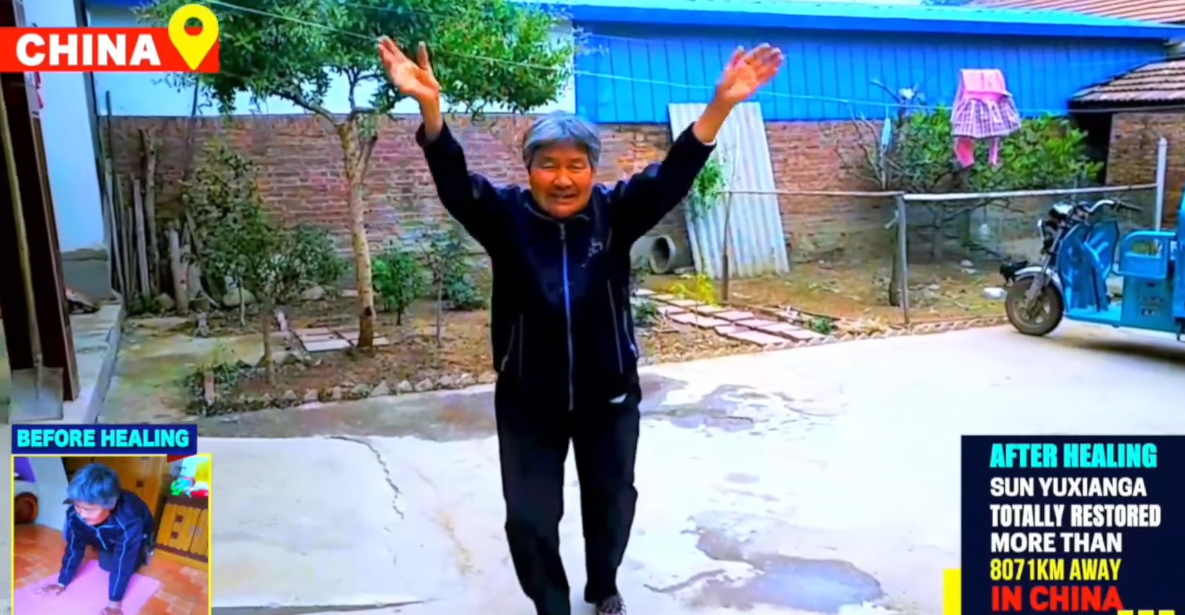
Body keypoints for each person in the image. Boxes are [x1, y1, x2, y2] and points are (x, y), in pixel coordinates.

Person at [379, 37, 783, 615]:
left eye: (576, 165)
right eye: (549, 164)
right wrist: (430, 111)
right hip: (528, 401)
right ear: (530, 171)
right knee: (529, 518)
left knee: (612, 502)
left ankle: (604, 586)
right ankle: (552, 606)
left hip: (608, 396)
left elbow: (671, 177)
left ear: (593, 171)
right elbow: (456, 186)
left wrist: (720, 106)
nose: (563, 178)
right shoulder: (506, 218)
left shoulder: (615, 214)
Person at [35, 463, 156, 615]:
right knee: (102, 557)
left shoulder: (129, 520)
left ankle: (144, 549)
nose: (82, 514)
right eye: (78, 506)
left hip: (138, 531)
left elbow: (123, 560)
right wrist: (61, 583)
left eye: (88, 509)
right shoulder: (74, 514)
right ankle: (102, 538)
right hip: (108, 530)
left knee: (119, 564)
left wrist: (114, 605)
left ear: (110, 506)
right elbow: (73, 549)